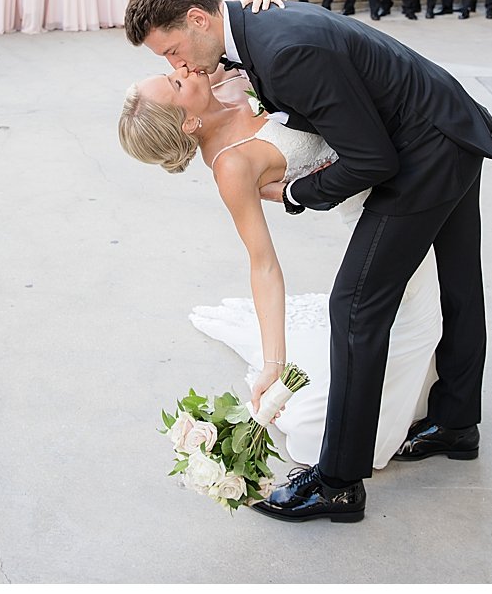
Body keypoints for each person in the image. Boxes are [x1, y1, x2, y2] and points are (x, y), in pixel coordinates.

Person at [125, 0, 492, 521]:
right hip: (447, 122)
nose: (178, 66)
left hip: (425, 149)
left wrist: (300, 192)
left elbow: (374, 160)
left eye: (176, 52)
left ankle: (339, 482)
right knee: (458, 282)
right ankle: (455, 421)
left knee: (353, 306)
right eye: (168, 64)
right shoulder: (253, 32)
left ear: (199, 19)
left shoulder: (278, 51)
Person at [119, 62, 441, 475]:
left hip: (396, 165)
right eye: (175, 83)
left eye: (169, 72)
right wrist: (275, 364)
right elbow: (263, 264)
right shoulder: (231, 166)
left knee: (431, 311)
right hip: (376, 209)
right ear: (189, 124)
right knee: (418, 320)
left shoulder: (217, 80)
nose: (181, 69)